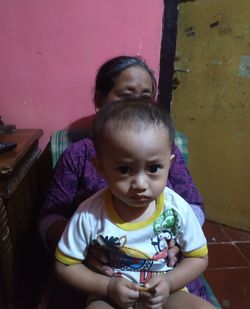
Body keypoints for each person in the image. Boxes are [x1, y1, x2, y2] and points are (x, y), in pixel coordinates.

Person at [38, 56, 206, 302]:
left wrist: (180, 238)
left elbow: (194, 205)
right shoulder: (79, 156)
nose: (140, 183)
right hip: (103, 277)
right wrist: (84, 245)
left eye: (145, 98)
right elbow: (49, 217)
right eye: (126, 96)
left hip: (166, 278)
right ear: (99, 100)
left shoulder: (166, 152)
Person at [54, 98, 214, 309]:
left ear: (170, 164)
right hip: (109, 297)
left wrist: (169, 282)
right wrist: (107, 286)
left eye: (154, 168)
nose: (140, 184)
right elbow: (65, 264)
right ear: (100, 169)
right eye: (123, 170)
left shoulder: (177, 208)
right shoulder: (89, 214)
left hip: (166, 294)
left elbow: (199, 258)